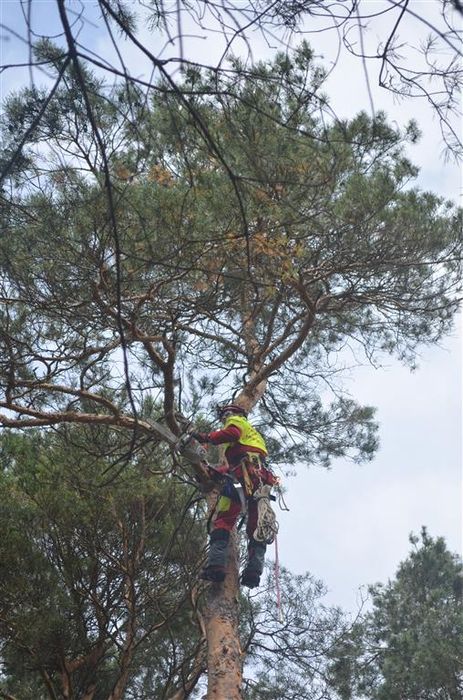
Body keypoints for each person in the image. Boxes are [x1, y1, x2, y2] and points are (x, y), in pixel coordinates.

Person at [191, 403, 279, 588]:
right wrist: (215, 472)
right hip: (258, 481)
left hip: (243, 477)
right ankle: (253, 573)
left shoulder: (236, 421)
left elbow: (231, 434)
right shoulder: (253, 436)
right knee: (257, 527)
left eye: (225, 416)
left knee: (223, 521)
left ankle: (216, 567)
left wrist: (207, 437)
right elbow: (236, 463)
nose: (225, 419)